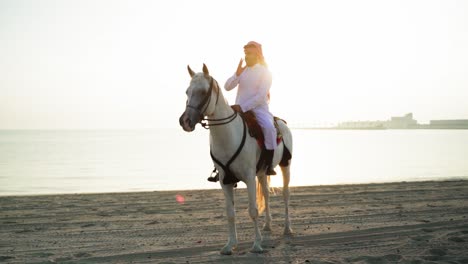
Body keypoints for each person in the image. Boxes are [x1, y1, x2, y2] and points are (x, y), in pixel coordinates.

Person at [224, 41, 277, 175]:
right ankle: (223, 166)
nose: (247, 56)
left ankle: (269, 164)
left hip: (259, 110)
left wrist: (243, 107)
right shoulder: (243, 71)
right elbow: (227, 87)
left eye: (249, 53)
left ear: (257, 55)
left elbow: (260, 96)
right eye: (245, 53)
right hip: (238, 109)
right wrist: (236, 74)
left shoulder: (266, 72)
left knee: (269, 128)